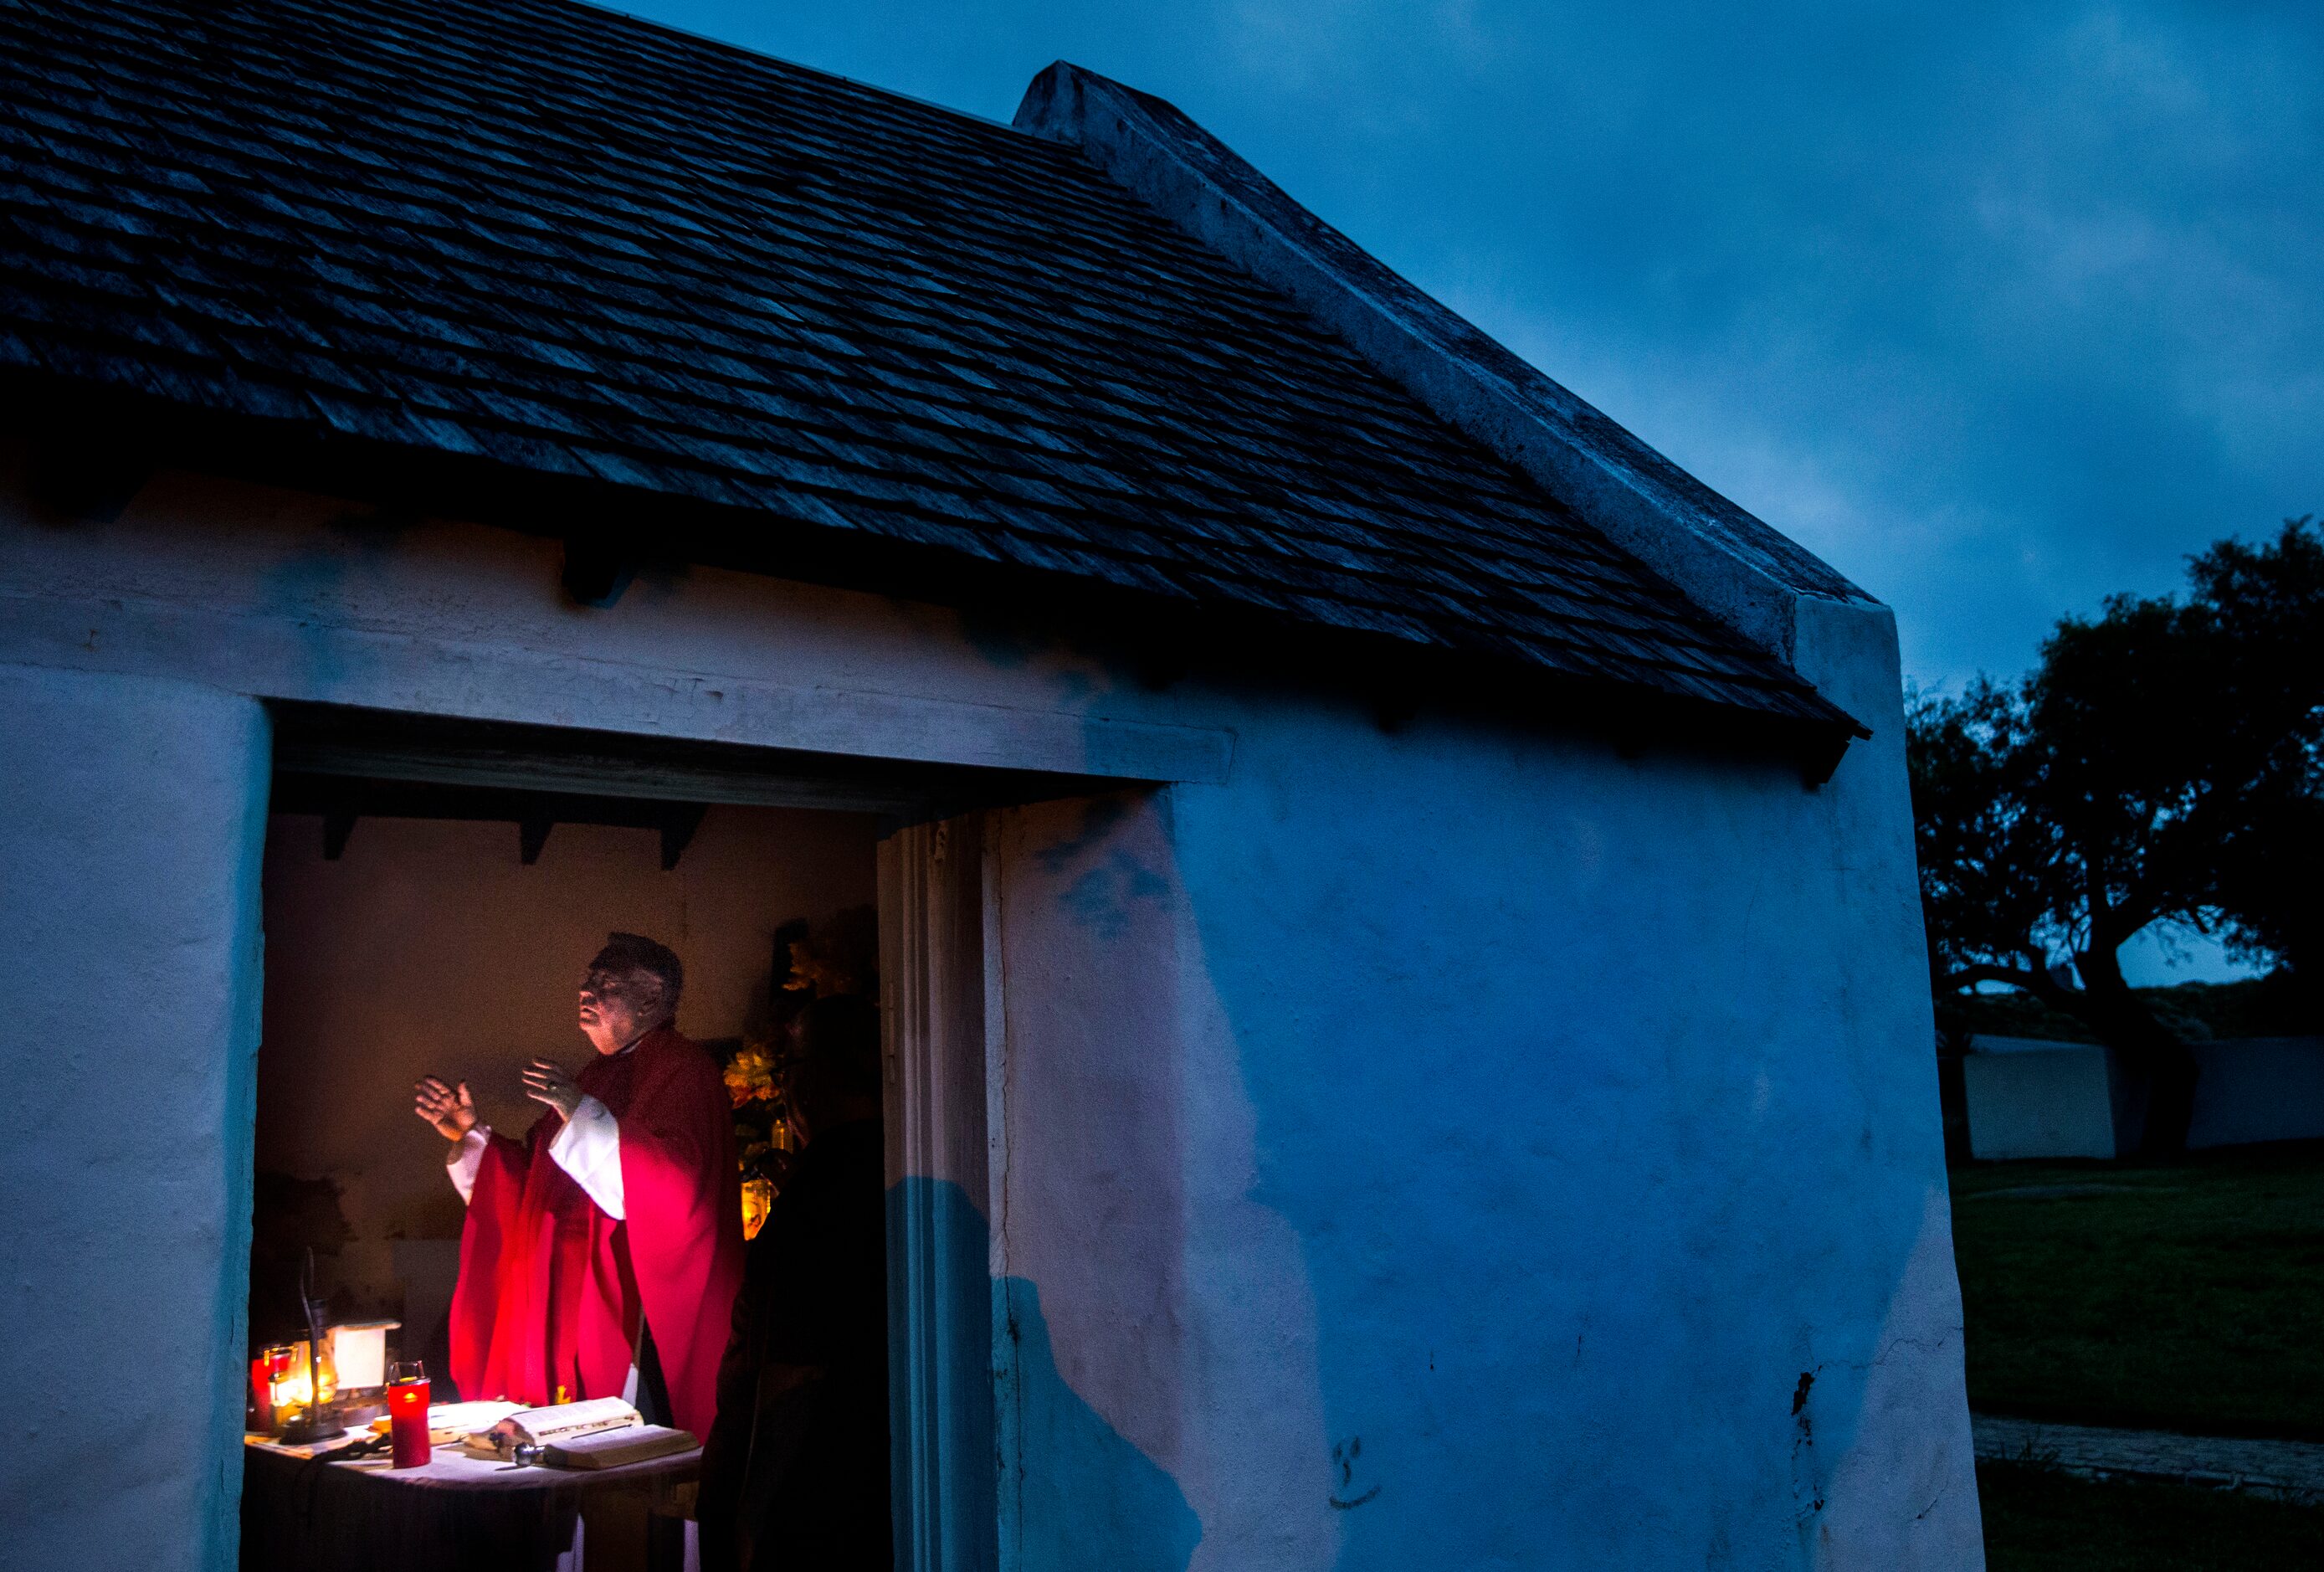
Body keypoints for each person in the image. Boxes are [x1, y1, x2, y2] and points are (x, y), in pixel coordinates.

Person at [413, 932, 743, 1441]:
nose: (585, 991)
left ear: (652, 997)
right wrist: (471, 1135)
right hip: (566, 1300)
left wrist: (578, 1110)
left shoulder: (682, 1069)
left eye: (605, 982)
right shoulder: (595, 1075)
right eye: (587, 980)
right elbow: (539, 1187)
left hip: (629, 1307)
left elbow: (668, 1186)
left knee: (623, 1462)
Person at [699, 994, 890, 1572]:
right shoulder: (892, 1167)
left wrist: (752, 1511)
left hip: (808, 1495)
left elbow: (792, 1375)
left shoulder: (820, 1192)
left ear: (805, 1084)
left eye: (789, 1068)